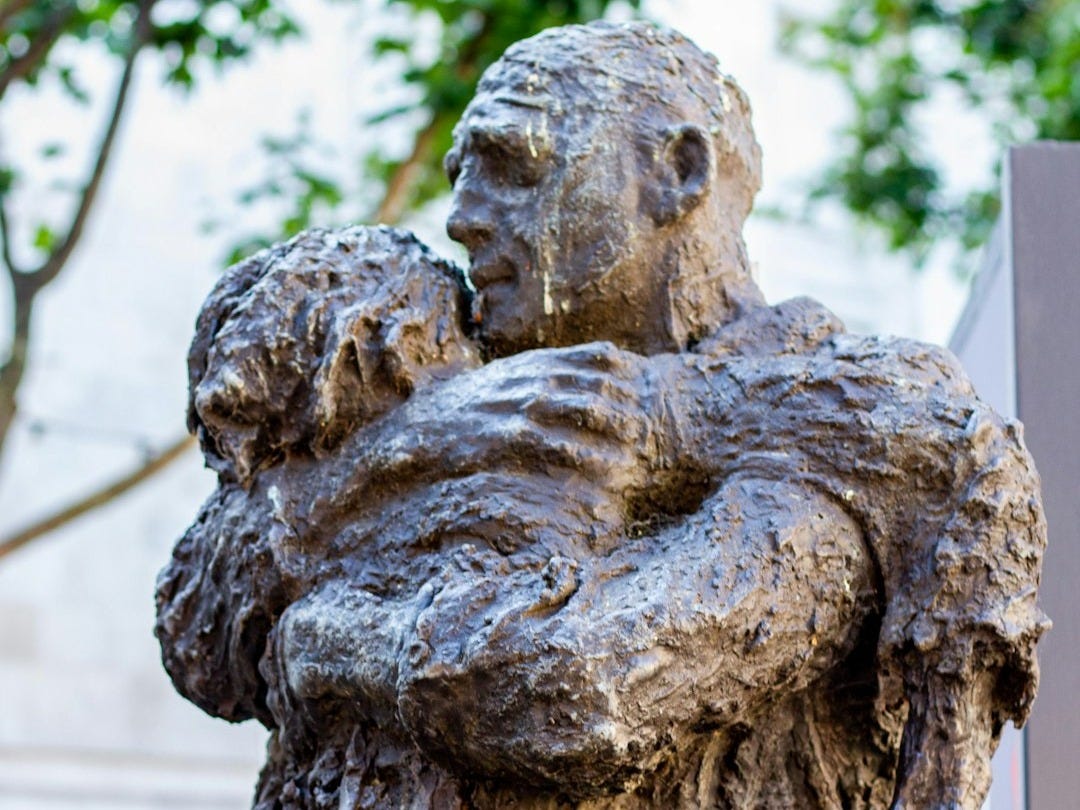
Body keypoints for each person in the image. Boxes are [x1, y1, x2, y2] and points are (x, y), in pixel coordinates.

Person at [156, 22, 1048, 810]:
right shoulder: (442, 366)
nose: (463, 218)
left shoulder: (832, 445)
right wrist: (397, 454)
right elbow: (203, 633)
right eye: (462, 178)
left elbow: (581, 694)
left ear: (678, 174)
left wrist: (330, 640)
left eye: (514, 168)